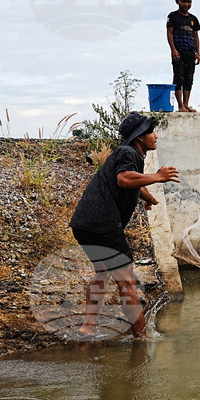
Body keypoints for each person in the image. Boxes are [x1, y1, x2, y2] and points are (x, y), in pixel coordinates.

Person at [68, 112, 180, 339]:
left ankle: (88, 327)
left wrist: (149, 198)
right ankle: (142, 339)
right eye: (150, 132)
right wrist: (158, 176)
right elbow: (124, 179)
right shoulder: (129, 152)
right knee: (127, 282)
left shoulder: (128, 154)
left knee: (102, 272)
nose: (155, 136)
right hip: (104, 226)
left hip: (84, 225)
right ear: (140, 137)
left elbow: (133, 182)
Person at [166, 0, 200, 113]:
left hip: (190, 52)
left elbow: (196, 36)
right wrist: (173, 50)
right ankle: (180, 105)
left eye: (189, 1)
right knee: (179, 78)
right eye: (183, 1)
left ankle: (186, 104)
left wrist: (198, 53)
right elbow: (169, 34)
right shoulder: (173, 16)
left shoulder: (193, 19)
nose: (186, 4)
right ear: (177, 1)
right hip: (178, 51)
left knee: (189, 79)